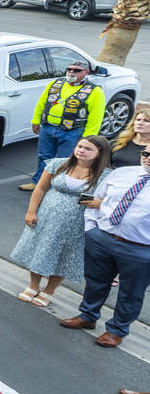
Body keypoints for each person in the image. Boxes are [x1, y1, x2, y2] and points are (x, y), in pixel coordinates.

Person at [60, 149, 150, 348]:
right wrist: (91, 230)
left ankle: (116, 330)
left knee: (131, 292)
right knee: (95, 282)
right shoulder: (123, 173)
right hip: (102, 238)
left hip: (140, 249)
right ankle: (88, 316)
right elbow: (94, 199)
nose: (148, 159)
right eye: (146, 153)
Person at [11, 136, 111, 306]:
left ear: (99, 154)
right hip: (47, 216)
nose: (81, 151)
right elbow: (41, 188)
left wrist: (98, 203)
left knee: (65, 255)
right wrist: (31, 211)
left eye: (88, 149)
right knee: (39, 249)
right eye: (80, 146)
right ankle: (33, 287)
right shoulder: (59, 163)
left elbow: (111, 200)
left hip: (77, 223)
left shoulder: (105, 175)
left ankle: (49, 290)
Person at [19, 58, 104, 191]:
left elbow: (96, 115)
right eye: (69, 69)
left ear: (86, 72)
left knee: (63, 161)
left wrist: (88, 137)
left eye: (76, 70)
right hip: (48, 128)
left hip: (72, 131)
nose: (71, 72)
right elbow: (42, 102)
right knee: (44, 157)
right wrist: (35, 121)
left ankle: (55, 189)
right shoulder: (55, 83)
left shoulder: (94, 90)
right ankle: (38, 184)